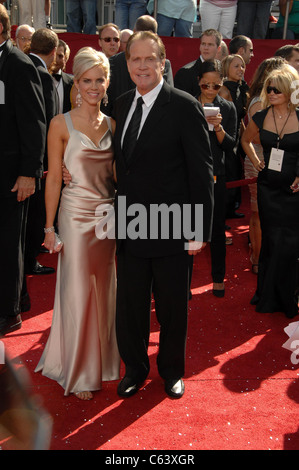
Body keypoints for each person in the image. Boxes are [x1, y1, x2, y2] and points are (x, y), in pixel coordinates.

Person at [113, 31, 214, 398]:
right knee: (131, 307)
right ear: (127, 64)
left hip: (172, 225)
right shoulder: (122, 104)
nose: (142, 66)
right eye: (134, 59)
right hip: (130, 224)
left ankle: (171, 370)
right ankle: (135, 370)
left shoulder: (184, 105)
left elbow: (201, 173)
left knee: (172, 307)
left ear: (162, 62)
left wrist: (197, 229)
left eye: (148, 59)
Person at [35, 47, 120, 400]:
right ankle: (79, 370)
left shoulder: (113, 124)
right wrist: (49, 226)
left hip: (108, 218)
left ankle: (100, 361)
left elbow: (117, 174)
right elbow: (55, 178)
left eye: (100, 80)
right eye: (87, 80)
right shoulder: (61, 123)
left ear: (107, 83)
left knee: (105, 291)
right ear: (77, 83)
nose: (94, 86)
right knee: (78, 291)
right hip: (74, 215)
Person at [0, 4, 46, 336]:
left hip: (13, 174)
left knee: (7, 242)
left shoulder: (17, 64)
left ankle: (10, 311)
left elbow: (34, 123)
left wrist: (30, 172)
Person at [241, 65, 299, 319]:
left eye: (277, 89)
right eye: (269, 88)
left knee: (290, 244)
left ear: (289, 91)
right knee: (271, 241)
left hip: (294, 189)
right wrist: (255, 160)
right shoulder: (262, 116)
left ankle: (288, 296)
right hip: (267, 187)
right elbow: (245, 139)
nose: (272, 92)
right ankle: (266, 294)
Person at [197, 60, 237, 297]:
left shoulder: (228, 108)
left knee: (217, 229)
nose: (211, 90)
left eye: (216, 85)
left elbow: (230, 147)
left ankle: (218, 278)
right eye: (205, 85)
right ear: (198, 83)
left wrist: (218, 128)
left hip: (216, 174)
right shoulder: (188, 105)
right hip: (191, 174)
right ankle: (185, 279)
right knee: (188, 226)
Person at [244, 57, 287, 274]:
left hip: (280, 163)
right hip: (259, 161)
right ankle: (257, 258)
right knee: (259, 212)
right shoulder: (259, 103)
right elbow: (253, 138)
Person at [23, 28, 59, 283]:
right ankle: (29, 260)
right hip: (38, 160)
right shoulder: (43, 77)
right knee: (34, 213)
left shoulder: (17, 66)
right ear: (54, 52)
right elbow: (47, 122)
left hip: (16, 155)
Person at [103, 15, 173, 116]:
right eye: (136, 60)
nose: (142, 66)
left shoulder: (113, 61)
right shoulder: (113, 62)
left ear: (134, 32)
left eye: (149, 59)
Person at [219, 54, 249, 219]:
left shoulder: (241, 88)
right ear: (227, 69)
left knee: (235, 175)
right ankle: (222, 215)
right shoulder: (224, 90)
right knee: (228, 176)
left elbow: (240, 119)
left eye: (242, 66)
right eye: (236, 66)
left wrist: (245, 141)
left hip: (237, 140)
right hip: (226, 140)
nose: (241, 69)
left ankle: (230, 210)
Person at [174, 28, 222, 96]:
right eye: (203, 44)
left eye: (210, 44)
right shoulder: (185, 73)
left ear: (218, 49)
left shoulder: (222, 70)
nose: (206, 48)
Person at [51, 39, 73, 114]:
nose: (56, 59)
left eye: (60, 56)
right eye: (53, 55)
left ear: (65, 59)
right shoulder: (37, 78)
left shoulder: (72, 83)